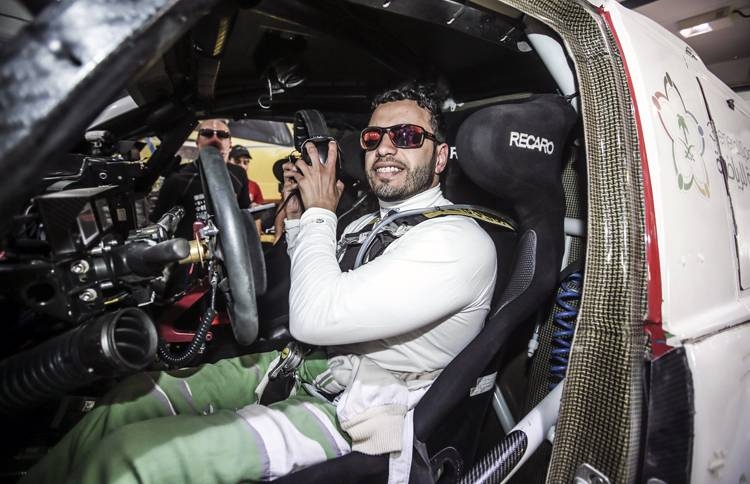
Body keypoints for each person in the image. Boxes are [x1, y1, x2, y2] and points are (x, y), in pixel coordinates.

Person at [22, 83, 497, 484]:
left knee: (132, 457)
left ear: (440, 157)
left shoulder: (457, 242)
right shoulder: (368, 223)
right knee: (125, 401)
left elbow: (315, 317)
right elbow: (304, 289)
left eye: (408, 135)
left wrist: (316, 216)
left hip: (358, 414)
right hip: (297, 368)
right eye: (374, 137)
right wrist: (296, 220)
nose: (385, 148)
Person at [149, 119, 251, 240]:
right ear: (197, 142)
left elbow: (245, 214)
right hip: (192, 252)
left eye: (222, 135)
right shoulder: (178, 179)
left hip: (231, 249)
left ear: (230, 145)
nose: (215, 139)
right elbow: (159, 223)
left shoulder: (239, 174)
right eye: (207, 134)